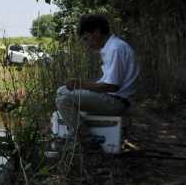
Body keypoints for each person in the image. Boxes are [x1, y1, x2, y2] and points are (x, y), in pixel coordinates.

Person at [56, 14, 139, 142]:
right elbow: (108, 82)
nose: (86, 44)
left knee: (63, 100)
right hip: (111, 97)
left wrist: (80, 84)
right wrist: (82, 86)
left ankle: (86, 137)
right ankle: (79, 128)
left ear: (97, 32)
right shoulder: (111, 47)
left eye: (86, 38)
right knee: (61, 90)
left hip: (116, 102)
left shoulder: (115, 49)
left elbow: (111, 86)